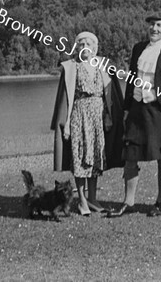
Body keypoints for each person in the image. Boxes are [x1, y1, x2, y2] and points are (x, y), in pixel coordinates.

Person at [108, 12, 161, 217]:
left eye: (159, 25)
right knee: (130, 156)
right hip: (137, 110)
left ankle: (160, 202)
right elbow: (132, 80)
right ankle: (129, 201)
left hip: (160, 111)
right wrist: (126, 109)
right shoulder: (138, 49)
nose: (154, 29)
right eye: (152, 25)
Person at [51, 31, 124, 215]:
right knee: (80, 157)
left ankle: (92, 198)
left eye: (88, 45)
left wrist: (108, 116)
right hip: (79, 114)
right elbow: (66, 99)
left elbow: (108, 94)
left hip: (98, 114)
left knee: (96, 157)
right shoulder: (72, 68)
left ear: (95, 48)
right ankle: (82, 201)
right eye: (81, 45)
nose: (85, 49)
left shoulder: (103, 66)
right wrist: (66, 124)